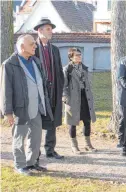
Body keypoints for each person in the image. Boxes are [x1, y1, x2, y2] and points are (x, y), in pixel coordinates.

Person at [0, 34, 53, 175]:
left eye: (34, 44)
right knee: (19, 138)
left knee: (35, 137)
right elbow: (6, 90)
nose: (35, 46)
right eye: (32, 44)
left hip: (36, 108)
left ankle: (31, 163)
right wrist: (8, 112)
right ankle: (20, 165)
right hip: (20, 110)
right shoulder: (9, 64)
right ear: (22, 47)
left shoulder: (36, 61)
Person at [34, 18, 64, 159]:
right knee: (37, 122)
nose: (51, 31)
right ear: (39, 30)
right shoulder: (32, 48)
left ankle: (50, 150)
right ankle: (35, 152)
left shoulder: (54, 49)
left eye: (51, 29)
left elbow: (59, 71)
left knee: (52, 120)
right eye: (48, 29)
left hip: (53, 90)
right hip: (38, 92)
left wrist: (61, 90)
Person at [63, 48, 97, 154]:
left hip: (85, 97)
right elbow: (63, 86)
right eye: (76, 55)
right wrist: (65, 98)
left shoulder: (85, 68)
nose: (79, 57)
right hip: (73, 98)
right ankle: (74, 146)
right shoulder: (67, 69)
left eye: (80, 55)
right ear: (71, 57)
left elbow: (88, 83)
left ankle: (88, 144)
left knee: (87, 121)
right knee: (72, 123)